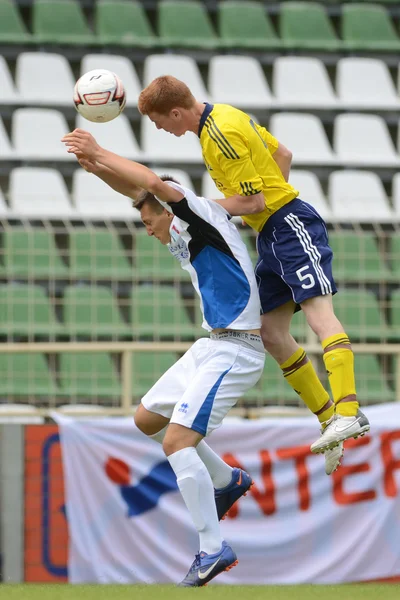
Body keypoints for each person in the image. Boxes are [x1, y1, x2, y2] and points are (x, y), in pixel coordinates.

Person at [62, 128, 266, 587]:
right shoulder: (179, 230)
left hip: (238, 349)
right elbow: (140, 192)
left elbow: (152, 186)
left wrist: (101, 150)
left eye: (148, 221)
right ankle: (226, 481)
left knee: (176, 443)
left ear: (169, 209)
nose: (147, 228)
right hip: (212, 343)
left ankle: (212, 550)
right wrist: (98, 170)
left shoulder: (197, 215)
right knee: (147, 419)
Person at [137, 76, 371, 473]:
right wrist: (260, 215)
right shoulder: (226, 116)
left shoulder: (219, 133)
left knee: (319, 314)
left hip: (290, 225)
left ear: (175, 112)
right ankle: (329, 417)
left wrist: (199, 208)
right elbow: (283, 154)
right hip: (273, 233)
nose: (162, 129)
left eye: (160, 122)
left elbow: (254, 198)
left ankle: (350, 409)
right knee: (269, 331)